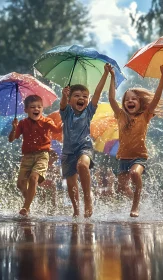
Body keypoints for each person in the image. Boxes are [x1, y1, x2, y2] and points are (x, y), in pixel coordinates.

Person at [107, 64, 163, 217]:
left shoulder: (145, 116)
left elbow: (157, 98)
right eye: (127, 99)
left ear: (140, 103)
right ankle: (141, 198)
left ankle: (135, 206)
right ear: (124, 104)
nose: (130, 101)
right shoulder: (120, 116)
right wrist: (112, 78)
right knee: (121, 189)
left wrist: (162, 78)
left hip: (139, 156)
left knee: (135, 174)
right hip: (123, 158)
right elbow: (111, 98)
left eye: (134, 99)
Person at [60, 64, 110, 218]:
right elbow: (62, 104)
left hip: (84, 147)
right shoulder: (66, 112)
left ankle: (88, 198)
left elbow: (97, 92)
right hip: (68, 151)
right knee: (71, 184)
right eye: (76, 96)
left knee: (82, 165)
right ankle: (76, 209)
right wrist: (64, 94)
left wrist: (106, 74)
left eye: (84, 96)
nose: (81, 98)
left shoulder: (89, 111)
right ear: (70, 100)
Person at [9, 95, 62, 216]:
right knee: (20, 184)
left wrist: (64, 122)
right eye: (32, 107)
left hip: (42, 155)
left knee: (33, 178)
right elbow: (11, 139)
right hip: (27, 156)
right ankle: (31, 195)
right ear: (26, 110)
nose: (36, 109)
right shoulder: (22, 123)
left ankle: (26, 208)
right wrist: (14, 128)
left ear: (42, 109)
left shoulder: (47, 121)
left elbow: (57, 130)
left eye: (39, 107)